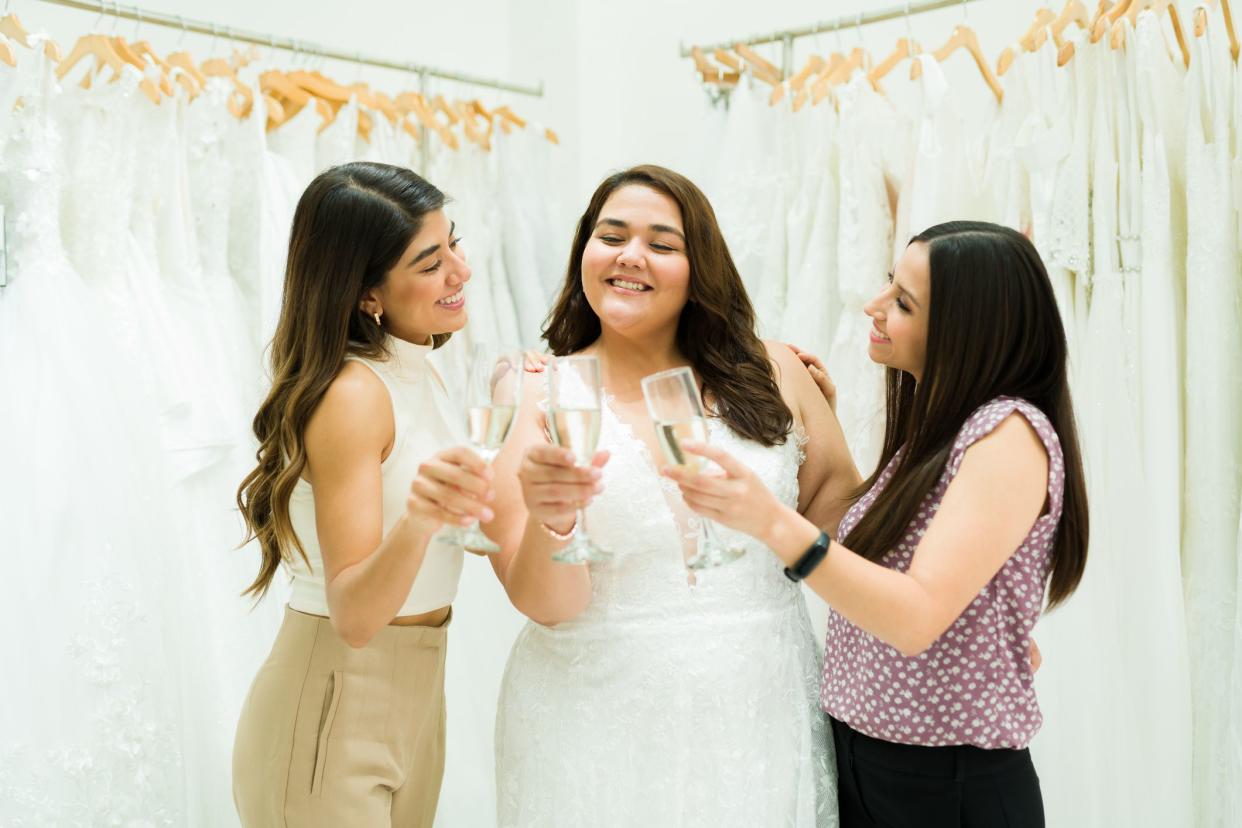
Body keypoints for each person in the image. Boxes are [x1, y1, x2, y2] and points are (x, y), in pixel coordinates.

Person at [667, 221, 1087, 827]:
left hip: (946, 781)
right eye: (891, 281)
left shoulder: (1007, 435)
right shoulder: (938, 425)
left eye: (903, 302)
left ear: (964, 332)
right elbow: (882, 558)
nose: (875, 304)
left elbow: (914, 618)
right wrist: (822, 431)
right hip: (873, 763)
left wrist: (769, 519)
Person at [485, 165, 860, 826]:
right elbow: (545, 604)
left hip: (761, 706)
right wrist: (558, 523)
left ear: (700, 270)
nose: (631, 255)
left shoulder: (776, 372)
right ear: (583, 255)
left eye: (662, 243)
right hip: (594, 722)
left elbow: (853, 535)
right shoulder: (535, 390)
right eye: (612, 236)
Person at [232, 162, 494, 827]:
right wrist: (424, 519)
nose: (461, 271)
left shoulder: (421, 371)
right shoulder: (352, 395)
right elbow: (353, 614)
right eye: (431, 262)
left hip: (419, 693)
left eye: (453, 243)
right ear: (367, 294)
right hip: (335, 700)